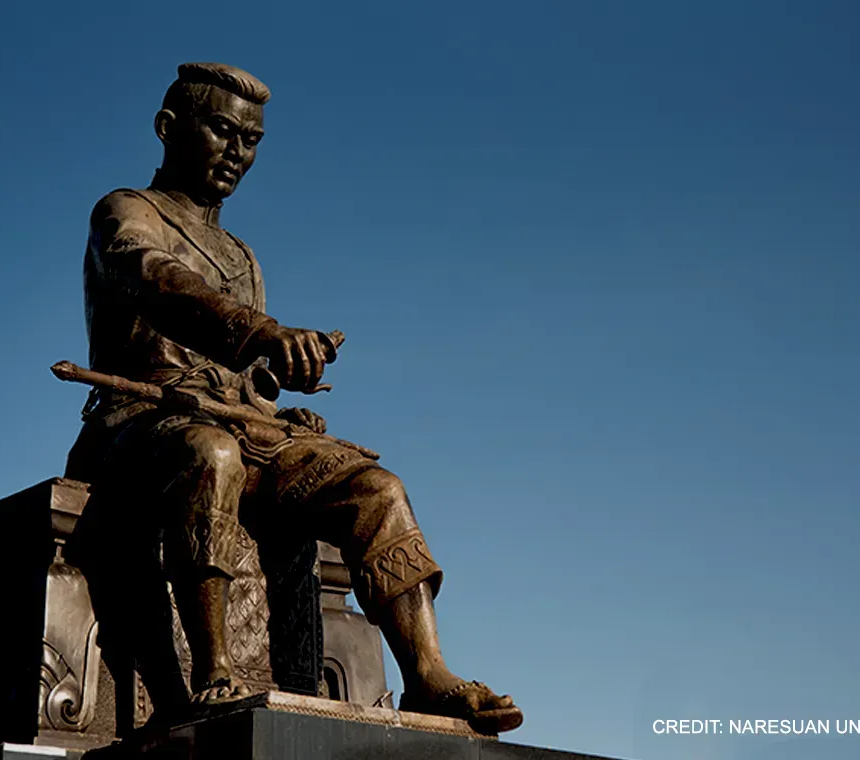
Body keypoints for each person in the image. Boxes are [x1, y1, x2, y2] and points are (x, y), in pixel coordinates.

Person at [64, 62, 522, 734]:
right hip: (141, 424)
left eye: (250, 141)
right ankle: (214, 673)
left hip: (246, 428)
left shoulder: (243, 257)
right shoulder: (127, 212)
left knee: (376, 488)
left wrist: (280, 401)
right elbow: (158, 282)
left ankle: (427, 676)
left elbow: (246, 379)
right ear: (169, 128)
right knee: (210, 454)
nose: (237, 152)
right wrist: (263, 332)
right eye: (222, 130)